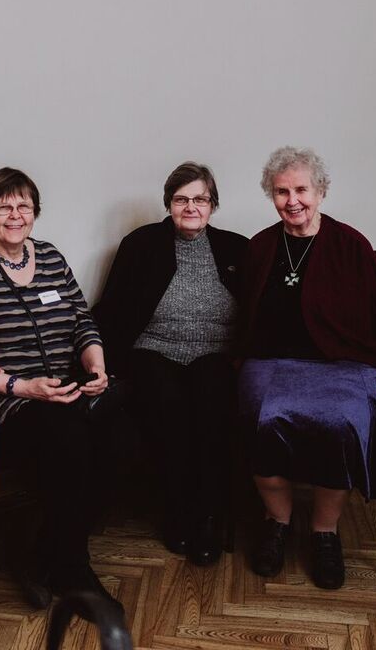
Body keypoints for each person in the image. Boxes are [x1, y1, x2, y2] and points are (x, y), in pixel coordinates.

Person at [0, 167, 122, 615]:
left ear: (35, 212)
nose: (16, 215)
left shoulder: (51, 257)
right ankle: (72, 569)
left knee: (126, 430)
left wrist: (96, 364)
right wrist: (25, 387)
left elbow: (81, 321)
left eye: (24, 206)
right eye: (4, 207)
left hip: (64, 387)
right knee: (71, 437)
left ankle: (42, 550)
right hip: (8, 401)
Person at [238, 146, 376, 590]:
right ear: (271, 196)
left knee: (341, 422)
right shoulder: (261, 246)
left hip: (342, 364)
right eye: (282, 191)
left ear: (320, 192)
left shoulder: (350, 244)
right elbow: (240, 314)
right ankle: (277, 521)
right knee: (261, 418)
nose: (292, 200)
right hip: (272, 363)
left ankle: (324, 532)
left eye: (302, 190)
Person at [93, 162, 248, 565]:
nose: (191, 207)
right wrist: (100, 362)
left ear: (213, 204)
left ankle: (208, 514)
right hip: (154, 349)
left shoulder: (237, 248)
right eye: (181, 199)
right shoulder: (140, 244)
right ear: (168, 204)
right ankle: (177, 509)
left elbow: (259, 311)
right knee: (168, 404)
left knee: (211, 400)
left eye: (200, 199)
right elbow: (111, 307)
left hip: (216, 352)